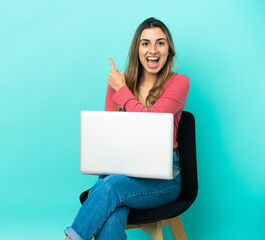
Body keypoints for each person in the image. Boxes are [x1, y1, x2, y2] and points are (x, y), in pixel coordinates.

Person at [64, 17, 190, 240]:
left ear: (169, 50)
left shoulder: (179, 83)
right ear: (137, 50)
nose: (153, 50)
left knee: (110, 187)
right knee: (111, 214)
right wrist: (120, 87)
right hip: (120, 172)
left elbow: (152, 123)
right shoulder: (119, 84)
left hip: (164, 180)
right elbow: (110, 135)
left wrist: (121, 89)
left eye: (160, 43)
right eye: (145, 43)